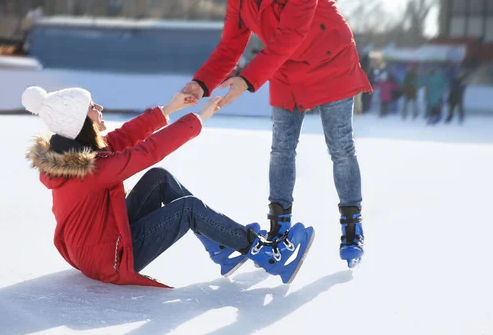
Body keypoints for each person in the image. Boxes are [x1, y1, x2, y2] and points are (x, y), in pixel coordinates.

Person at [181, 0, 372, 268]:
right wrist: (201, 83)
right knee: (282, 147)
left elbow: (290, 37)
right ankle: (278, 229)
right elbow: (230, 45)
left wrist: (246, 80)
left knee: (340, 146)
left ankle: (352, 226)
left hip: (331, 62)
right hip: (283, 68)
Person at [21, 86, 314, 286]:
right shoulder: (89, 170)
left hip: (97, 242)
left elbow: (124, 137)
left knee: (158, 179)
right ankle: (268, 256)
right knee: (187, 208)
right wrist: (198, 119)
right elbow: (147, 151)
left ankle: (221, 248)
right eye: (92, 107)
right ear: (78, 122)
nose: (100, 109)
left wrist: (171, 107)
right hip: (108, 258)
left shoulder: (75, 156)